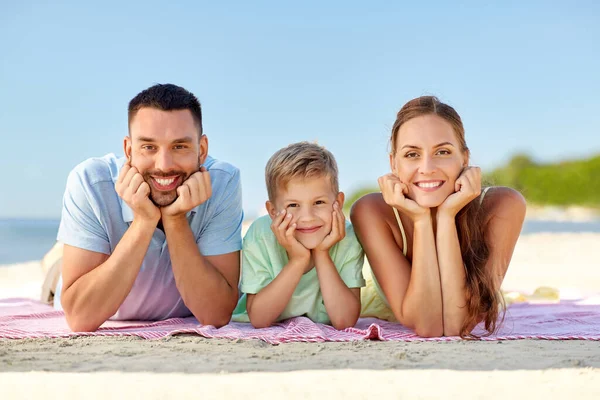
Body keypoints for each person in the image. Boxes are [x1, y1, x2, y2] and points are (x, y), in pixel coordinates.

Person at [53, 83, 243, 332]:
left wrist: (175, 220)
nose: (164, 165)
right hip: (82, 283)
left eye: (179, 146)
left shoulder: (223, 182)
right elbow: (80, 317)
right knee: (57, 275)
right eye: (149, 147)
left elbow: (216, 314)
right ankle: (54, 268)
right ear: (129, 150)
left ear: (202, 150)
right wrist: (143, 221)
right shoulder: (90, 181)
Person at [351, 96, 526, 338]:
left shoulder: (504, 205)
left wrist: (446, 216)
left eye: (442, 151)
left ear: (464, 158)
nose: (427, 167)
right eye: (412, 154)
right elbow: (428, 325)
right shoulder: (371, 211)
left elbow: (457, 325)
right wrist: (422, 220)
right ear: (393, 163)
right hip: (399, 304)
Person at [231, 142, 365, 330]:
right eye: (293, 205)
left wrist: (321, 253)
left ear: (338, 202)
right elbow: (259, 319)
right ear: (272, 211)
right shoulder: (260, 235)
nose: (308, 218)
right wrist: (298, 260)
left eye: (319, 202)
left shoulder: (347, 237)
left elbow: (344, 321)